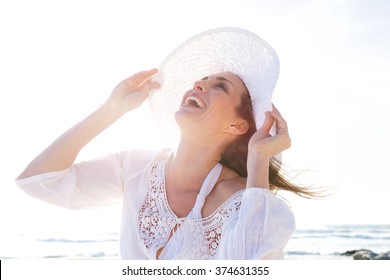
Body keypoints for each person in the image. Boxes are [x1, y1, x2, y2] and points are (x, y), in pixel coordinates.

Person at [16, 27, 314, 259]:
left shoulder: (253, 203)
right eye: (202, 79)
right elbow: (37, 181)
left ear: (237, 125)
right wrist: (111, 109)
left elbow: (245, 266)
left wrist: (259, 158)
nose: (199, 84)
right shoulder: (134, 168)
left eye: (219, 86)